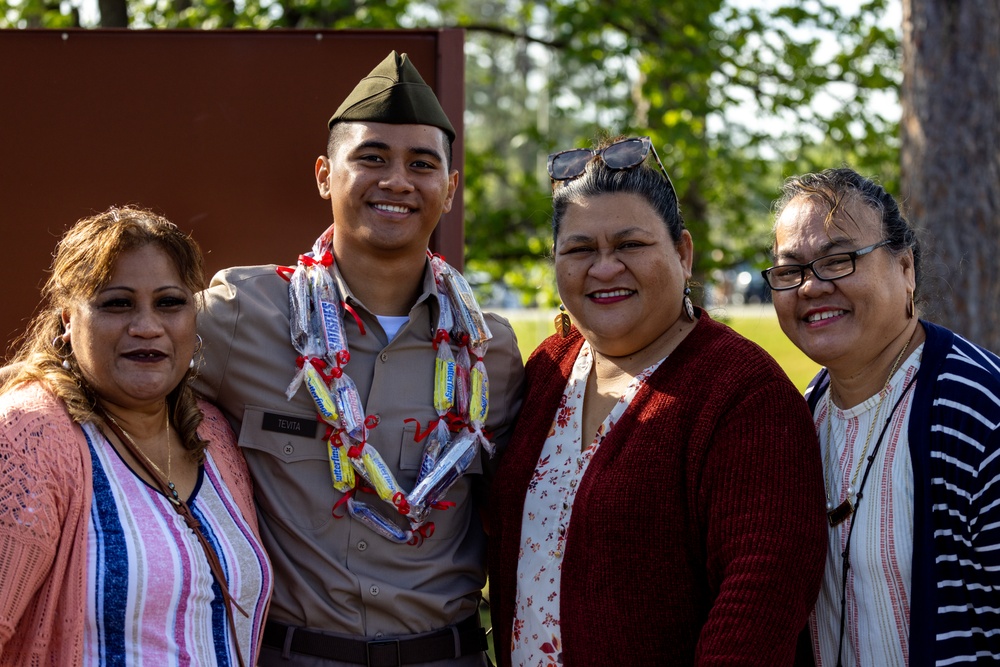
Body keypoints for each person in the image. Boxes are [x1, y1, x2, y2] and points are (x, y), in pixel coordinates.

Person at [192, 51, 525, 666]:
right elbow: (102, 365)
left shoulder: (491, 352)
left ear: (449, 190)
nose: (397, 180)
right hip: (296, 655)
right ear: (324, 174)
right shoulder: (243, 314)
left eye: (422, 165)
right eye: (371, 158)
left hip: (445, 656)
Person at [488, 136, 827, 666]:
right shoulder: (549, 368)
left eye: (630, 245)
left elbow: (761, 597)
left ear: (683, 253)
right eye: (580, 250)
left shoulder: (744, 395)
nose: (604, 268)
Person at [0, 207, 272, 666]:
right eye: (117, 303)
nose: (147, 326)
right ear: (67, 319)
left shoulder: (210, 431)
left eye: (169, 302)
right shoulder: (27, 437)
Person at [763, 167, 1000, 666]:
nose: (810, 287)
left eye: (839, 260)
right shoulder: (806, 416)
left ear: (906, 266)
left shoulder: (978, 413)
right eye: (790, 270)